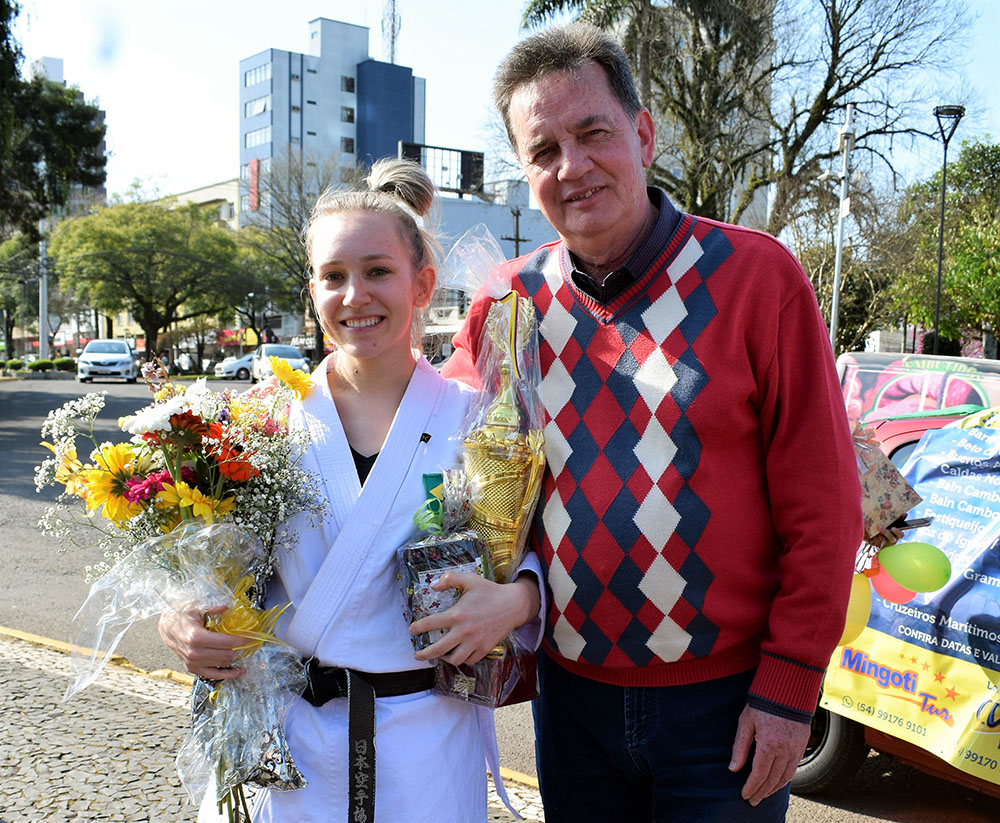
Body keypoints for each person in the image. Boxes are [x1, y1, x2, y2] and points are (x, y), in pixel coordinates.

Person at [441, 23, 864, 823]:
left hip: (727, 712)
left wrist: (790, 685)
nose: (571, 166)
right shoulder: (507, 305)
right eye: (543, 150)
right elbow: (435, 475)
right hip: (568, 709)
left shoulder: (756, 278)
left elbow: (824, 504)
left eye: (592, 132)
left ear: (642, 132)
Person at [158, 159, 544, 823]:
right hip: (286, 748)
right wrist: (179, 617)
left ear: (422, 283)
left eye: (377, 271)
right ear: (313, 291)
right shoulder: (264, 418)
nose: (354, 294)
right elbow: (215, 569)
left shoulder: (477, 418)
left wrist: (518, 598)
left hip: (423, 744)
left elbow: (535, 553)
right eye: (333, 276)